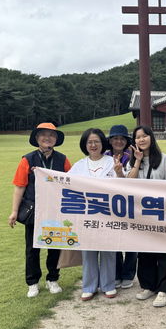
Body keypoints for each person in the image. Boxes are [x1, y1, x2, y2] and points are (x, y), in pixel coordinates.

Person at [8, 122, 71, 298]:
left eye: (51, 135)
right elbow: (19, 186)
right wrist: (14, 211)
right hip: (34, 210)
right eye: (43, 134)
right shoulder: (27, 160)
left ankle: (53, 279)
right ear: (37, 138)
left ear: (56, 139)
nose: (47, 138)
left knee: (55, 246)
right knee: (32, 248)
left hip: (56, 210)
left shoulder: (62, 160)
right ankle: (32, 282)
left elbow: (72, 182)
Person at [127, 125, 166, 308]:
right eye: (137, 137)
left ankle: (164, 289)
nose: (141, 140)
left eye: (144, 136)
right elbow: (128, 184)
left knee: (164, 251)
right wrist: (137, 161)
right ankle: (148, 286)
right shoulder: (132, 161)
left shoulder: (163, 159)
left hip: (161, 212)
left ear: (151, 137)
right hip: (140, 214)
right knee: (144, 252)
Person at [68, 128, 119, 301]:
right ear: (85, 144)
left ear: (102, 143)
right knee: (88, 251)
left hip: (108, 213)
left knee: (108, 250)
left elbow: (124, 184)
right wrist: (42, 175)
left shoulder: (112, 161)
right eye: (89, 142)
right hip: (86, 215)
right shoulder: (79, 165)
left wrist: (119, 171)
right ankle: (89, 286)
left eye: (96, 141)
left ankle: (108, 285)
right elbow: (65, 183)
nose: (93, 145)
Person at [105, 124, 137, 289]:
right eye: (115, 138)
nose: (118, 141)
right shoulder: (103, 157)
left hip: (130, 203)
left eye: (122, 139)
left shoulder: (132, 157)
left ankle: (128, 274)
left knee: (131, 239)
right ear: (110, 141)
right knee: (113, 239)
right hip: (109, 204)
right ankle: (116, 273)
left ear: (126, 141)